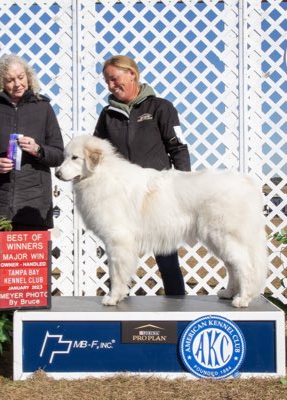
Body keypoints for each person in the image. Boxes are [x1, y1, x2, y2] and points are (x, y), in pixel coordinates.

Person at [94, 54, 191, 295]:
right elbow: (97, 154)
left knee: (167, 259)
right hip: (119, 200)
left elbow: (178, 147)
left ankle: (177, 306)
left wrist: (181, 187)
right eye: (106, 81)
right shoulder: (107, 115)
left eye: (115, 79)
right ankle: (118, 305)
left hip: (156, 197)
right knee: (118, 253)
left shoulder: (161, 108)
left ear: (132, 74)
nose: (111, 86)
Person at [0, 54, 64, 231]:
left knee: (32, 259)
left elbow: (58, 154)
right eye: (10, 80)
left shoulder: (44, 108)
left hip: (33, 208)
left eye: (21, 77)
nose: (17, 84)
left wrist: (38, 150)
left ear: (28, 76)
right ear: (0, 83)